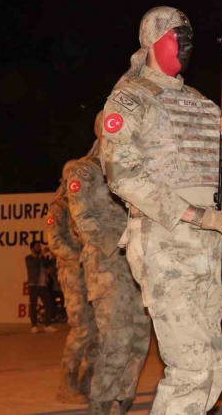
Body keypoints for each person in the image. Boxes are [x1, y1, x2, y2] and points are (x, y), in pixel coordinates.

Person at [100, 6, 222, 415]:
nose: (185, 45)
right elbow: (122, 175)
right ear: (152, 41)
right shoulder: (130, 97)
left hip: (211, 244)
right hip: (166, 240)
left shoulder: (200, 103)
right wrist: (198, 215)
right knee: (190, 369)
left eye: (188, 37)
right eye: (176, 36)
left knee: (211, 372)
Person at [67, 114, 151, 415]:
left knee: (140, 336)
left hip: (136, 264)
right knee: (116, 337)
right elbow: (82, 220)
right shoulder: (84, 171)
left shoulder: (128, 172)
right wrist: (117, 247)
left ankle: (122, 400)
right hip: (106, 265)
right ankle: (101, 404)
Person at [46, 179, 97, 403]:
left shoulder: (85, 204)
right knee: (82, 329)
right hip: (74, 275)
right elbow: (55, 243)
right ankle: (67, 384)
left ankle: (87, 382)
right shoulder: (59, 208)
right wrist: (82, 258)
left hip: (92, 274)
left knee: (96, 329)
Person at [25, 241, 56, 334]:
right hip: (33, 285)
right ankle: (34, 326)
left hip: (43, 285)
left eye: (40, 246)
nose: (40, 248)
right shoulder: (28, 258)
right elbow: (34, 264)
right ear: (32, 249)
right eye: (38, 247)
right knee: (33, 306)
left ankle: (47, 325)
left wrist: (53, 255)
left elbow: (50, 265)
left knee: (48, 305)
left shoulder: (43, 258)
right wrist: (42, 254)